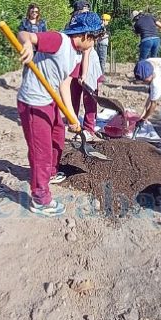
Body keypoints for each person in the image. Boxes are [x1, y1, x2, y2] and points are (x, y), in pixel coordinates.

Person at [17, 12, 104, 216]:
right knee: (42, 152)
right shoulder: (59, 40)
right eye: (94, 39)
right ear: (83, 35)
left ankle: (50, 173)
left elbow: (64, 84)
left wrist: (74, 119)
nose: (94, 43)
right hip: (33, 103)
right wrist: (28, 45)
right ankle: (40, 198)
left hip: (50, 100)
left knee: (58, 137)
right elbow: (24, 34)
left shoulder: (76, 54)